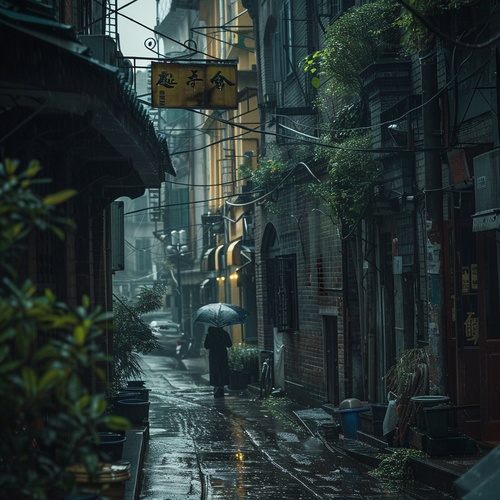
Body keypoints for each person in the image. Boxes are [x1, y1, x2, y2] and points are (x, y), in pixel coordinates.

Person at [204, 326, 232, 398]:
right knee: (222, 371)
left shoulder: (210, 334)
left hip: (213, 356)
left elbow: (206, 346)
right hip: (222, 355)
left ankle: (216, 387)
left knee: (215, 372)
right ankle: (221, 388)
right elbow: (229, 344)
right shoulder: (224, 333)